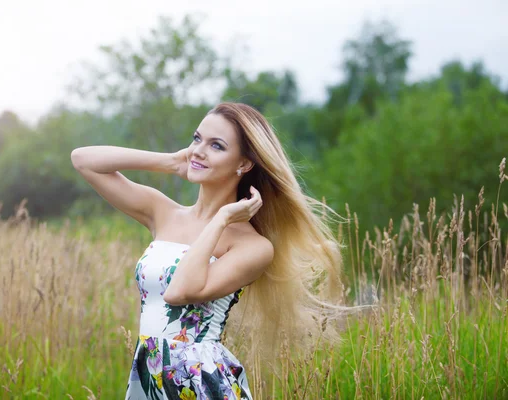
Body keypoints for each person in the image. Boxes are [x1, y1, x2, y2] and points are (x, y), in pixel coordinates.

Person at [71, 102, 352, 399]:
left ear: (243, 164)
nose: (198, 151)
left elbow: (179, 292)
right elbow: (83, 160)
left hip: (200, 382)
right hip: (150, 373)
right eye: (196, 139)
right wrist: (170, 162)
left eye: (216, 145)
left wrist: (222, 219)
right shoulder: (164, 213)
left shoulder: (253, 247)